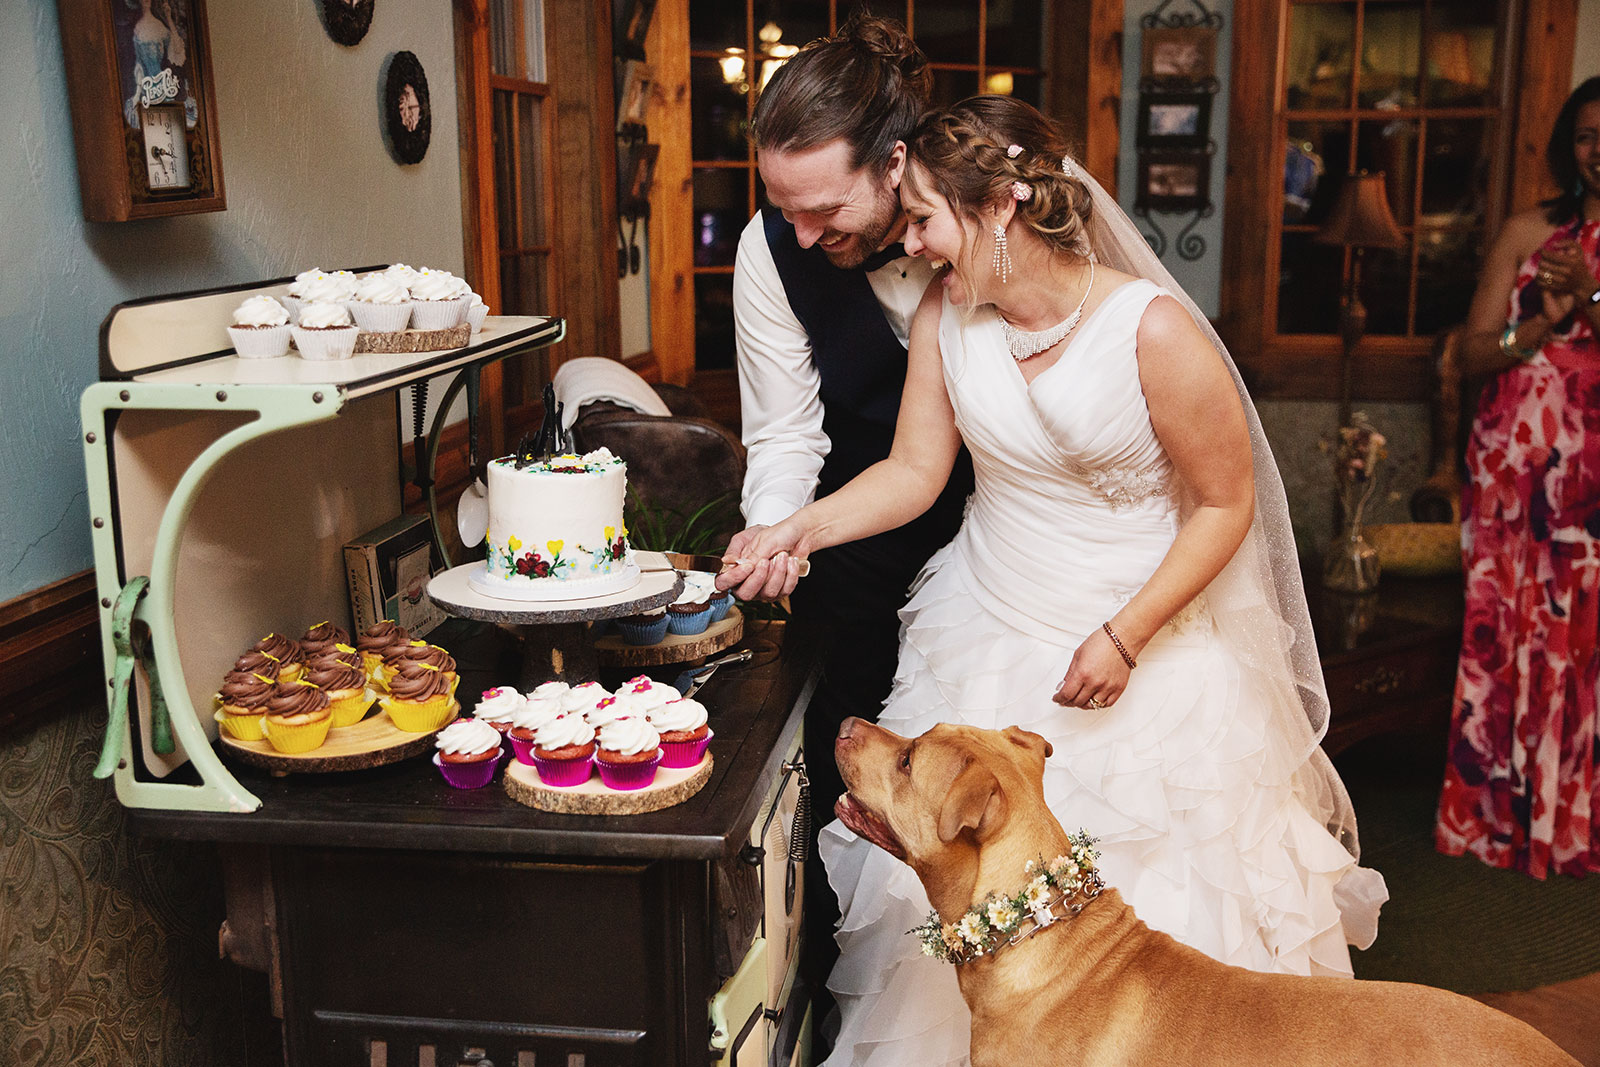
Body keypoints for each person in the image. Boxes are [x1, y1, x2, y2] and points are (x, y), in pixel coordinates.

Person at [719, 95, 1387, 1067]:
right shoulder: (949, 312)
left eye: (921, 220)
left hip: (1139, 643)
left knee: (1169, 914)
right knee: (944, 909)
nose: (908, 244)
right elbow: (914, 472)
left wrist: (1125, 634)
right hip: (984, 627)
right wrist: (795, 528)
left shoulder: (1153, 331)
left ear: (997, 207)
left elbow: (1221, 505)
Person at [726, 13, 975, 1031]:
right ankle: (859, 1020)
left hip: (1000, 533)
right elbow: (785, 430)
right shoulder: (768, 250)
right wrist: (773, 535)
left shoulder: (994, 228)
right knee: (860, 793)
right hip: (858, 536)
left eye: (824, 208)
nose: (800, 235)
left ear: (897, 162)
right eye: (782, 209)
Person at [1434, 76, 1600, 879]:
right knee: (1505, 628)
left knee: (1580, 638)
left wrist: (1589, 295)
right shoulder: (1529, 228)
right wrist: (1545, 318)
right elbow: (1469, 354)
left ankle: (1568, 823)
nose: (1598, 150)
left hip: (1591, 473)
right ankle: (1494, 820)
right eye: (1586, 135)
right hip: (1511, 458)